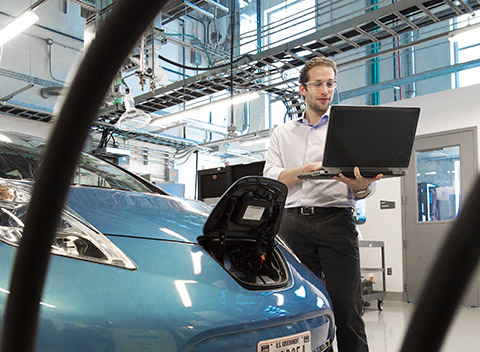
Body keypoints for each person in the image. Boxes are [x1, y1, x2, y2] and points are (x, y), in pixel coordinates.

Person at [263, 56, 382, 352]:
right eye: (318, 84)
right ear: (302, 89)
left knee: (348, 309)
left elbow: (366, 184)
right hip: (292, 225)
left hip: (336, 221)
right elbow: (271, 178)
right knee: (303, 308)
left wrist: (361, 186)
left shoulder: (348, 132)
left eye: (330, 84)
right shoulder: (283, 133)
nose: (325, 90)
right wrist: (308, 170)